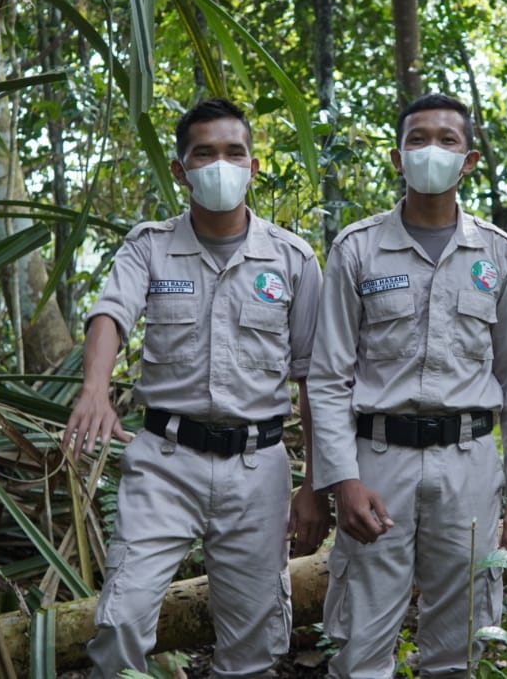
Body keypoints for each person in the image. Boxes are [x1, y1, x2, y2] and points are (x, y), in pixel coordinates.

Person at [62, 97, 330, 679]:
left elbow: (315, 375)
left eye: (234, 153)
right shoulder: (150, 246)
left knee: (256, 642)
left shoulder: (291, 258)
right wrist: (95, 389)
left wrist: (315, 483)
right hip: (165, 461)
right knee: (122, 620)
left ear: (253, 167)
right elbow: (111, 314)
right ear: (181, 170)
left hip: (258, 468)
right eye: (204, 153)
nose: (220, 165)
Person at [307, 93, 507, 677]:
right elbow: (327, 377)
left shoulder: (497, 254)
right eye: (418, 139)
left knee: (461, 640)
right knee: (360, 642)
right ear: (397, 158)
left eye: (447, 140)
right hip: (378, 463)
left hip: (469, 464)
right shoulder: (356, 249)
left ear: (468, 161)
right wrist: (341, 480)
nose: (431, 151)